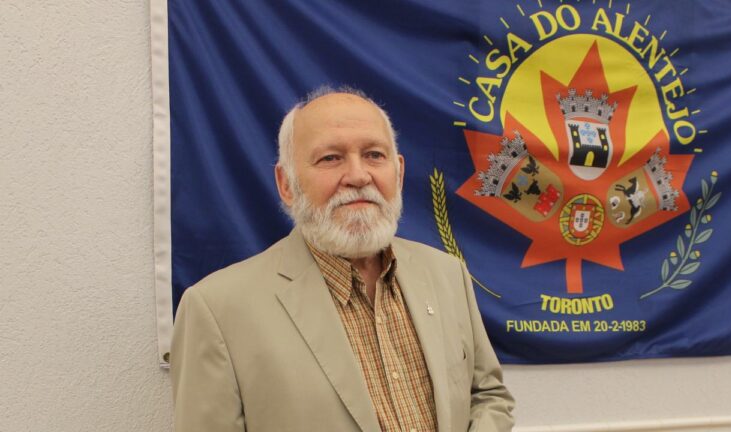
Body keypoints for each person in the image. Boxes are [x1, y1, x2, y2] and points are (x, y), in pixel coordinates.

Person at [170, 86, 515, 432]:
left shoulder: (447, 273)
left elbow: (487, 396)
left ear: (398, 173)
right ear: (286, 183)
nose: (358, 176)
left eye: (374, 155)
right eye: (330, 158)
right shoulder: (216, 310)